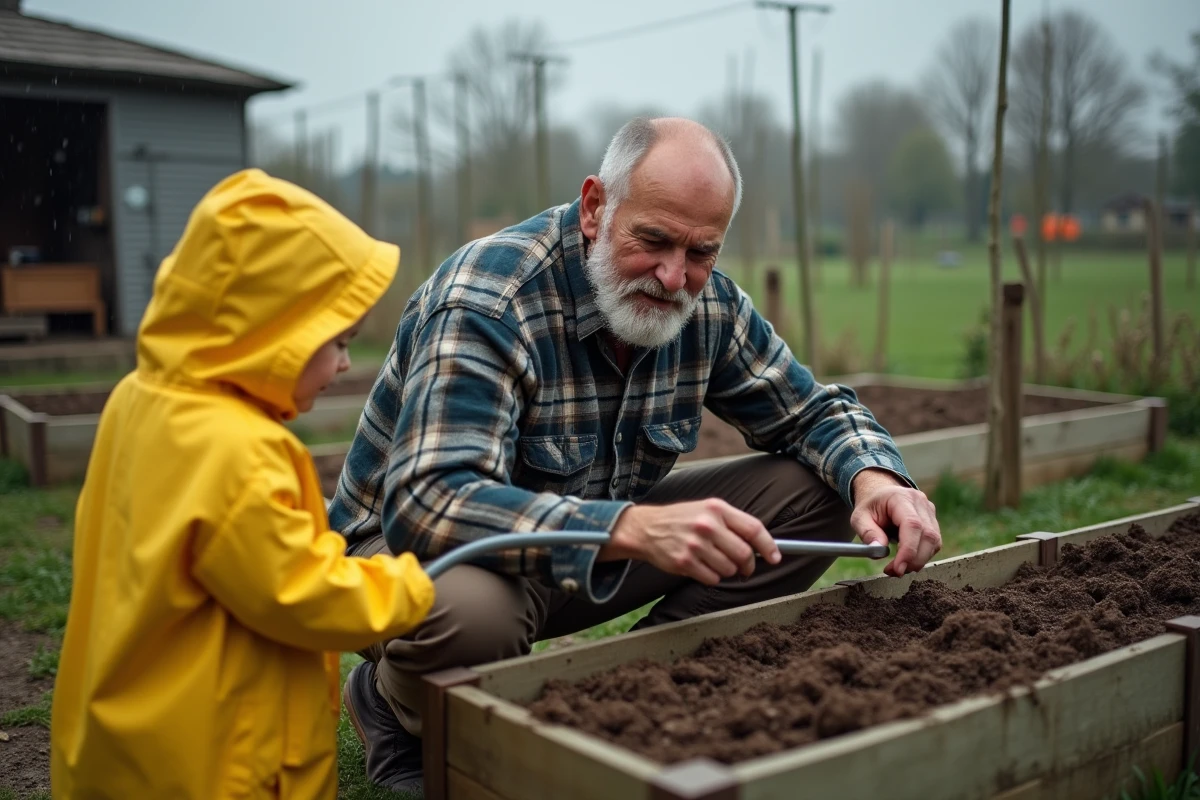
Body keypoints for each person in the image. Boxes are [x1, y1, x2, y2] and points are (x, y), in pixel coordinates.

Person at [328, 116, 942, 793]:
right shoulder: (492, 297)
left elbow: (813, 411)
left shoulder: (707, 307)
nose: (674, 276)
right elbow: (431, 501)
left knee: (819, 489)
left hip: (586, 545)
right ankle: (393, 706)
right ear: (595, 208)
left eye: (701, 251)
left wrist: (876, 476)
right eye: (652, 240)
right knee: (474, 615)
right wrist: (626, 530)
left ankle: (644, 688)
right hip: (412, 558)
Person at [49, 169, 437, 799]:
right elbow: (298, 593)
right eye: (334, 340)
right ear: (269, 329)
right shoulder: (240, 450)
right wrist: (410, 585)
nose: (343, 363)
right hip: (214, 756)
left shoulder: (139, 399)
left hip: (129, 723)